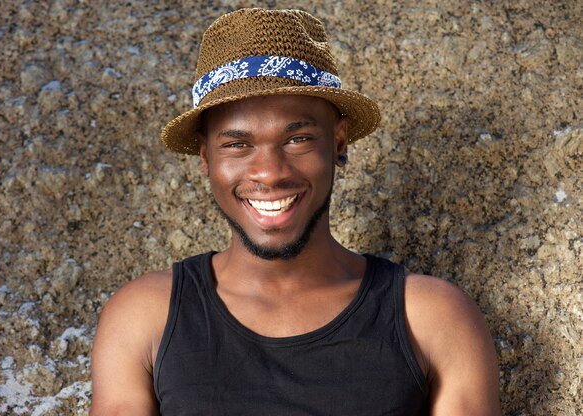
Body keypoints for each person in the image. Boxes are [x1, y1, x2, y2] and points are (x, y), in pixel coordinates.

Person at [90, 8, 501, 415]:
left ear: (338, 142)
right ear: (206, 158)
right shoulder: (145, 316)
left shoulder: (432, 317)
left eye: (298, 138)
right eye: (237, 144)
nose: (269, 173)